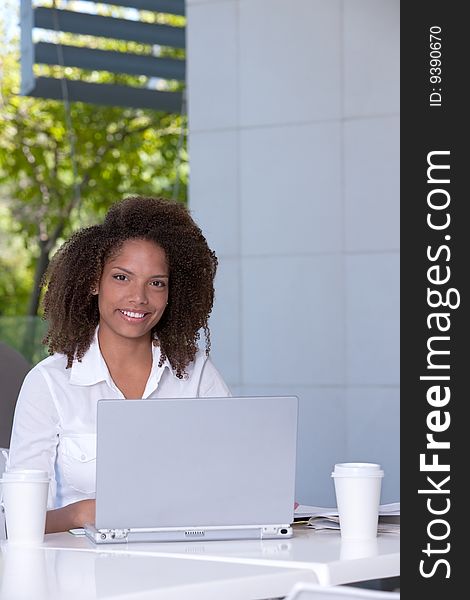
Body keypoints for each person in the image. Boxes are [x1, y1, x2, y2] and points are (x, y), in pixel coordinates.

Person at [8, 196, 230, 533]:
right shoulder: (49, 383)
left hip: (181, 563)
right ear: (94, 282)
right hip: (78, 575)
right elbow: (17, 522)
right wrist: (81, 514)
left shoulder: (196, 374)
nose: (139, 297)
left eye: (156, 283)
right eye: (122, 278)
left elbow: (234, 484)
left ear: (172, 294)